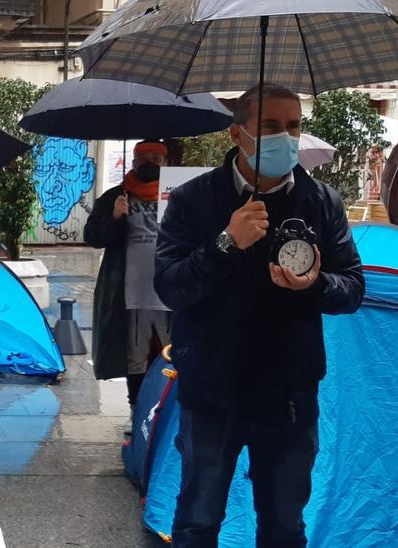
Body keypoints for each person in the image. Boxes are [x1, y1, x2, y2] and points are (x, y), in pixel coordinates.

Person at [155, 84, 364, 546]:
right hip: (212, 391)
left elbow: (352, 288)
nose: (284, 137)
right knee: (198, 519)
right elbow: (171, 287)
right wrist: (226, 243)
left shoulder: (322, 202)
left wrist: (316, 284)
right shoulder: (193, 200)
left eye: (293, 126)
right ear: (237, 133)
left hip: (289, 394)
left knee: (285, 526)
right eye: (270, 126)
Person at [84, 140, 173, 408]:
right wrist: (113, 217)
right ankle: (137, 411)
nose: (150, 163)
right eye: (143, 158)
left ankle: (165, 415)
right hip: (130, 294)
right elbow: (93, 237)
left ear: (166, 163)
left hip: (170, 292)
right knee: (137, 360)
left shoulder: (179, 195)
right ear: (133, 162)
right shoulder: (115, 196)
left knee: (172, 358)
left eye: (156, 158)